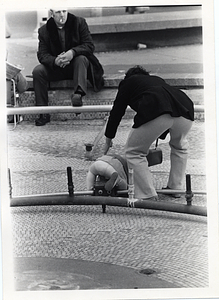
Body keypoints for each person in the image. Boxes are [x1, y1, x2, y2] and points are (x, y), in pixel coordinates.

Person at [103, 65, 194, 201]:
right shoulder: (156, 80)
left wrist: (108, 137)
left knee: (134, 152)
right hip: (186, 109)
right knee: (180, 148)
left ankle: (147, 194)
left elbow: (117, 111)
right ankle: (176, 188)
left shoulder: (128, 82)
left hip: (157, 108)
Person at [32, 8, 104, 126]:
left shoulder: (79, 22)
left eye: (64, 11)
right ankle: (43, 112)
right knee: (38, 71)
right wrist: (55, 61)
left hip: (77, 66)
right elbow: (42, 55)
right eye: (58, 12)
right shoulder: (44, 30)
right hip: (57, 67)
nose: (62, 15)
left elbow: (89, 46)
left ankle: (78, 94)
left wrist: (72, 52)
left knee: (81, 59)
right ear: (51, 14)